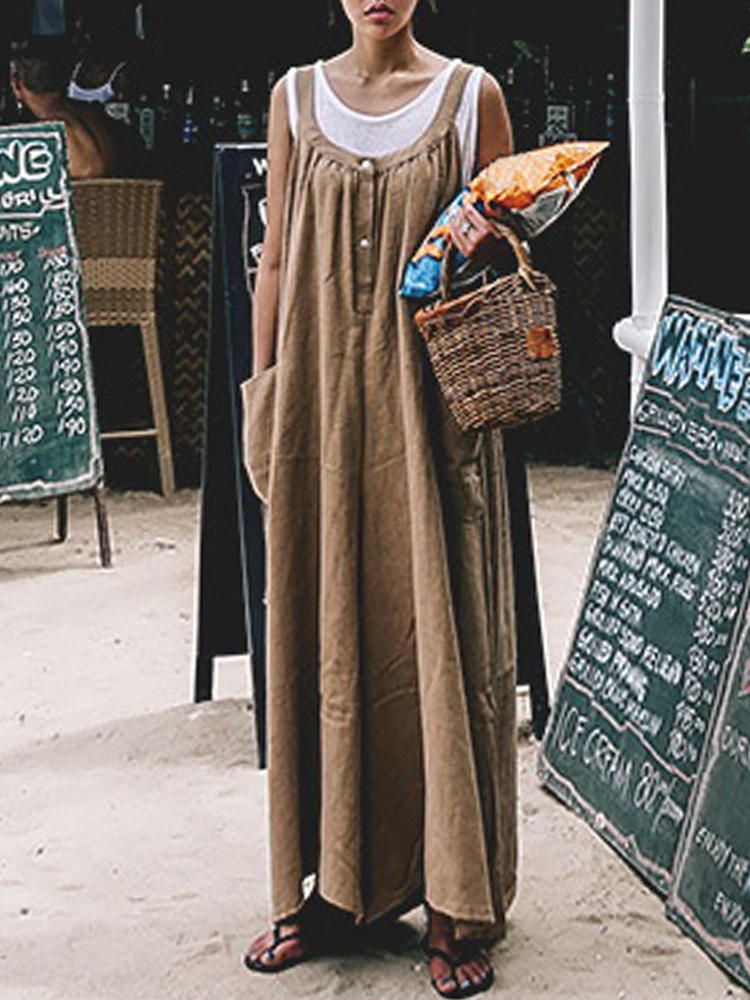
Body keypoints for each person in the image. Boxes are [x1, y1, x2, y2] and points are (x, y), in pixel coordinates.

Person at [241, 2, 521, 996]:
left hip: (429, 419)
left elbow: (503, 251)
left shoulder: (468, 98)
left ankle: (452, 897)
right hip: (318, 411)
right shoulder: (294, 98)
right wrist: (265, 392)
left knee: (435, 639)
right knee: (323, 635)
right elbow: (275, 256)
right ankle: (328, 888)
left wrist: (483, 236)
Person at [9, 37, 146, 179]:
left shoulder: (49, 132)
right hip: (114, 196)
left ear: (16, 84)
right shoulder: (89, 112)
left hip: (82, 199)